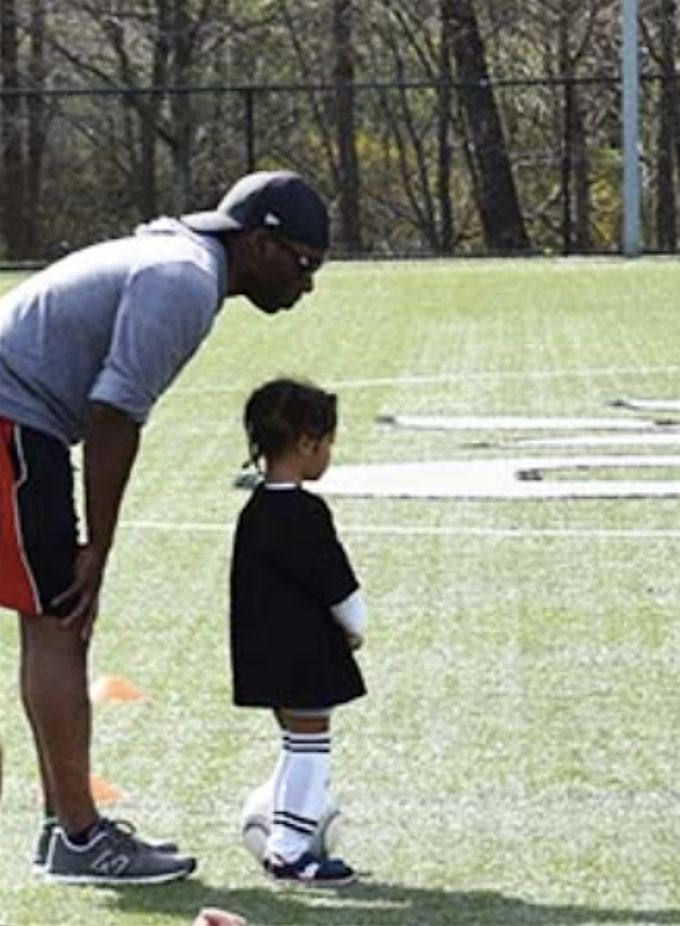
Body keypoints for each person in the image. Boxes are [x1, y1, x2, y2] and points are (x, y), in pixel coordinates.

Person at [0, 169, 330, 883]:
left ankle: (66, 827)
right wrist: (100, 547)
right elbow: (114, 414)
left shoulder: (184, 261)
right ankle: (81, 839)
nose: (306, 286)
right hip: (13, 417)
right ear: (260, 243)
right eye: (304, 264)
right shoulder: (184, 280)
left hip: (22, 416)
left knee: (52, 624)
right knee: (61, 620)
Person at [232, 378, 365, 886]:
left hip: (266, 652)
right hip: (303, 654)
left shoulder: (256, 511)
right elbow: (333, 576)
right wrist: (354, 624)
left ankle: (287, 844)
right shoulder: (303, 512)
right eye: (329, 441)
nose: (330, 452)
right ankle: (289, 850)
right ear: (308, 442)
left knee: (295, 743)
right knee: (310, 747)